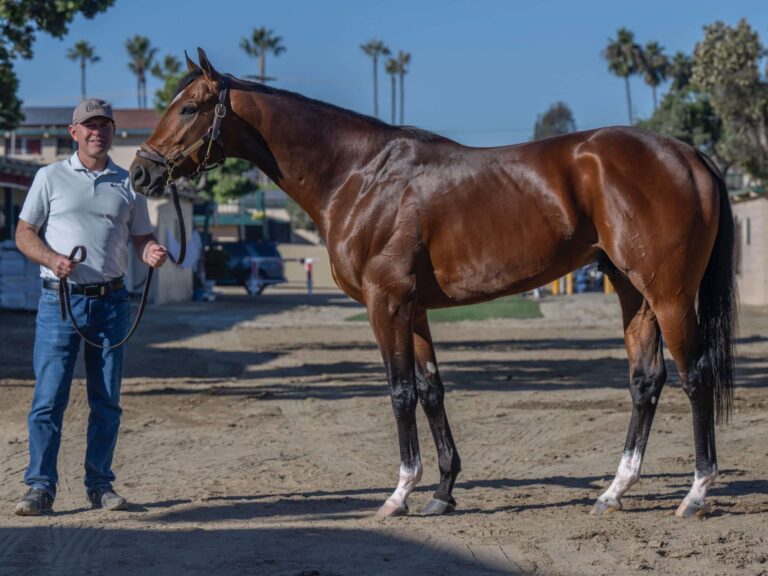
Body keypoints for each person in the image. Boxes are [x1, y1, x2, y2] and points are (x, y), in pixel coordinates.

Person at [13, 99, 168, 515]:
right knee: (49, 399)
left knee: (107, 401)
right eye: (90, 125)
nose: (97, 132)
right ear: (74, 132)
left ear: (113, 131)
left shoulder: (127, 182)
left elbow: (141, 236)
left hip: (112, 303)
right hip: (60, 302)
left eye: (104, 125)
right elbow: (24, 233)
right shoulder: (49, 177)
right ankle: (40, 487)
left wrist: (150, 250)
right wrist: (52, 259)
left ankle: (100, 485)